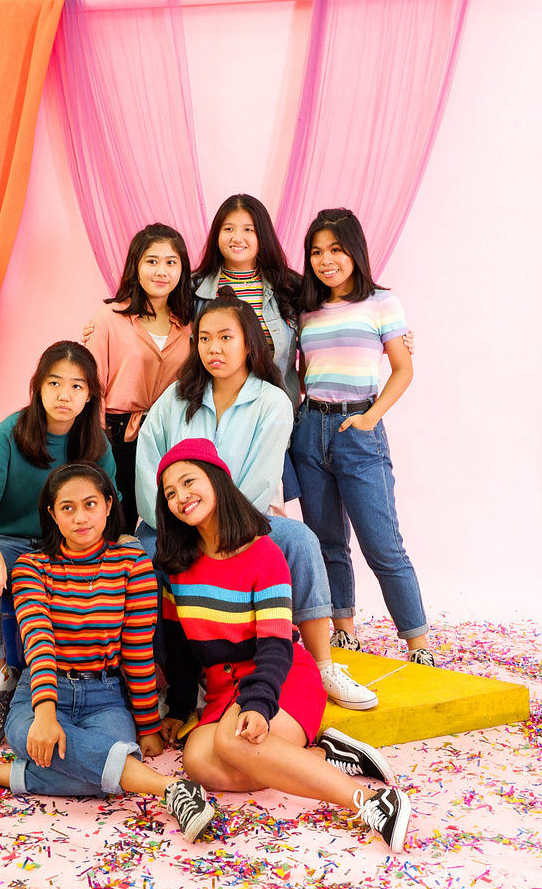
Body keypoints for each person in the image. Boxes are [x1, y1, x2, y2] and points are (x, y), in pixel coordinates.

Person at [154, 440, 412, 853]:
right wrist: (180, 708)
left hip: (279, 678)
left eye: (189, 482)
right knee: (198, 762)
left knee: (233, 743)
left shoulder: (263, 553)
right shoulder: (177, 566)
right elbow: (181, 649)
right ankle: (326, 756)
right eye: (170, 493)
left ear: (217, 481)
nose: (180, 497)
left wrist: (258, 704)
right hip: (223, 692)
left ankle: (370, 801)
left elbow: (275, 644)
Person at [0, 463, 215, 843]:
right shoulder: (32, 567)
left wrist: (148, 724)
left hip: (106, 696)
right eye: (67, 508)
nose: (80, 517)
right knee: (108, 765)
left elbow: (137, 649)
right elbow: (38, 641)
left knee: (100, 771)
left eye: (90, 504)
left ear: (108, 505)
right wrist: (45, 714)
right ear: (52, 514)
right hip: (40, 693)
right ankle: (171, 789)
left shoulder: (133, 564)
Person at [135, 292, 378, 711]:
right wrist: (179, 521)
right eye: (205, 338)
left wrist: (214, 530)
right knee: (139, 557)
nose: (214, 348)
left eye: (225, 337)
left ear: (249, 342)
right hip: (171, 522)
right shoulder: (174, 399)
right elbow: (147, 468)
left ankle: (322, 665)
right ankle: (164, 676)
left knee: (299, 539)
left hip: (241, 523)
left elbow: (260, 481)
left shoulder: (272, 402)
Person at [0, 341, 120, 751]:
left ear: (90, 394)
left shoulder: (96, 442)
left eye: (77, 386)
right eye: (54, 383)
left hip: (68, 546)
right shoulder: (8, 435)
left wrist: (120, 540)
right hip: (12, 543)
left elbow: (110, 506)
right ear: (38, 386)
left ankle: (112, 687)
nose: (65, 395)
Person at [289, 208, 433, 666]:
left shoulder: (382, 303)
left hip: (358, 431)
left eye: (335, 249)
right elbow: (305, 372)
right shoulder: (307, 310)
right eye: (316, 252)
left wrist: (370, 418)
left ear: (355, 251)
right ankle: (343, 632)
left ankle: (418, 644)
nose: (325, 260)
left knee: (382, 545)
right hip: (309, 430)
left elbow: (403, 368)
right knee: (326, 542)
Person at [85, 224, 194, 533]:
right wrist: (97, 443)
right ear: (136, 265)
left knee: (166, 524)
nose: (161, 271)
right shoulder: (109, 318)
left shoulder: (188, 324)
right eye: (152, 261)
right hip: (117, 436)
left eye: (171, 262)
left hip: (167, 436)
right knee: (115, 525)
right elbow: (93, 386)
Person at [191, 194, 301, 407]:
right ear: (216, 235)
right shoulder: (193, 289)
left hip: (275, 411)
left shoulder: (289, 287)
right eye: (228, 229)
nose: (237, 238)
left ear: (263, 235)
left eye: (248, 230)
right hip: (213, 410)